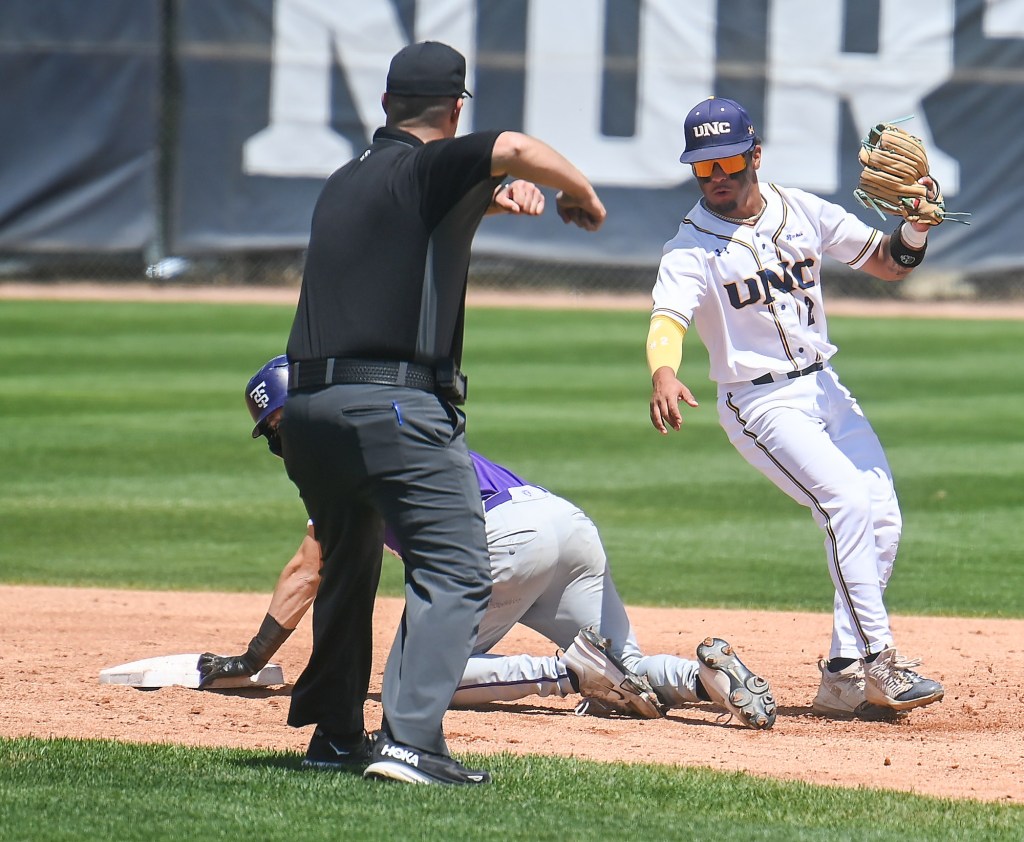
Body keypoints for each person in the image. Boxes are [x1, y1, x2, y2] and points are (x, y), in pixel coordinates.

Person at [278, 41, 607, 786]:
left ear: (387, 105)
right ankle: (411, 741)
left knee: (348, 568)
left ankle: (334, 739)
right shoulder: (436, 165)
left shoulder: (345, 179)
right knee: (456, 566)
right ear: (455, 111)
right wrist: (577, 191)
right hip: (393, 405)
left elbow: (405, 228)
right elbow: (516, 146)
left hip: (309, 412)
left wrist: (486, 198)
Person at [199, 357, 777, 736]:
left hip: (502, 541)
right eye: (272, 429)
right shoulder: (385, 418)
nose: (281, 436)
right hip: (561, 522)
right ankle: (707, 683)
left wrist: (253, 659)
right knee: (626, 667)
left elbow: (309, 568)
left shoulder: (339, 453)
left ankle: (569, 673)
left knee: (414, 682)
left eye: (282, 421)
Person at [646, 96, 946, 721]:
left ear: (754, 153)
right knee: (845, 501)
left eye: (727, 161)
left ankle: (841, 675)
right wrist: (664, 372)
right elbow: (667, 318)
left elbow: (887, 264)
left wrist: (914, 227)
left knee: (882, 516)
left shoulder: (801, 208)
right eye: (704, 168)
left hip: (825, 388)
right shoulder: (689, 248)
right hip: (761, 403)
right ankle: (881, 659)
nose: (718, 178)